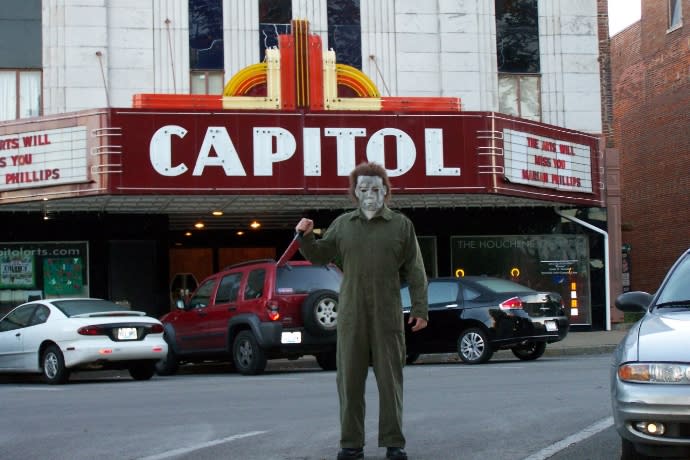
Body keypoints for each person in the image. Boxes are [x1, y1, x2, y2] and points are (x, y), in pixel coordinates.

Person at [295, 161, 428, 460]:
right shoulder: (342, 225)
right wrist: (305, 237)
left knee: (390, 381)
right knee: (349, 382)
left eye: (376, 188)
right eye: (363, 188)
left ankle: (394, 444)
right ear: (355, 192)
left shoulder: (401, 225)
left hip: (388, 315)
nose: (370, 193)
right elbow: (319, 256)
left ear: (386, 191)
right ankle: (350, 444)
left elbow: (416, 270)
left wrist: (420, 308)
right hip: (351, 315)